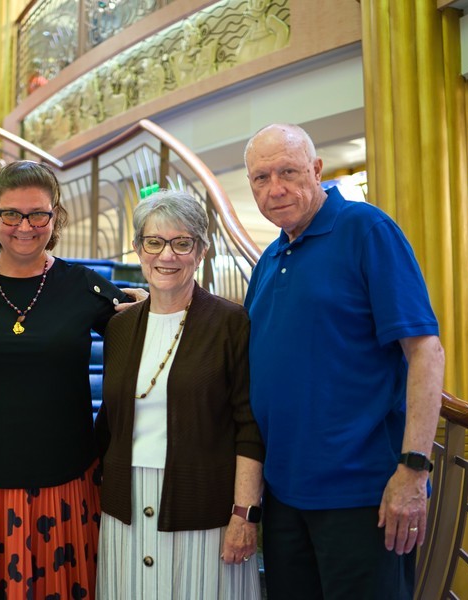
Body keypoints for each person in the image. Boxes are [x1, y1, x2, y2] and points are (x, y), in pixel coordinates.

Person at [0, 161, 138, 599]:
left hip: (63, 479)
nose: (24, 227)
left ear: (55, 217)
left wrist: (155, 300)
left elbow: (143, 340)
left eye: (38, 214)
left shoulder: (84, 287)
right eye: (11, 214)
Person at [242, 123, 445, 599]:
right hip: (285, 497)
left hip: (363, 496)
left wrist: (414, 470)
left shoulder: (367, 229)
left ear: (316, 170)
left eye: (288, 172)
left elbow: (425, 352)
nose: (276, 189)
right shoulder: (269, 259)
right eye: (261, 178)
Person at [95, 190, 265, 599]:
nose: (166, 256)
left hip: (204, 505)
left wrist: (245, 514)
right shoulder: (120, 328)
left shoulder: (230, 322)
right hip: (125, 507)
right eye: (154, 242)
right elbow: (109, 423)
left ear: (201, 250)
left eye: (181, 242)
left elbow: (249, 426)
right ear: (138, 248)